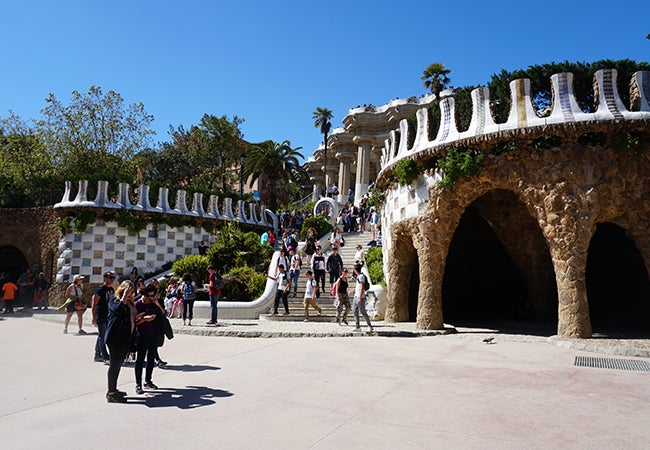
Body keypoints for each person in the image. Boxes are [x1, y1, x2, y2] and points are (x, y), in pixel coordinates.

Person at [104, 280, 137, 403]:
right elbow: (117, 310)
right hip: (115, 337)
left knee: (118, 364)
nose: (129, 292)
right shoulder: (114, 299)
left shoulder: (129, 302)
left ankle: (113, 389)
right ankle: (111, 393)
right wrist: (124, 297)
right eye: (127, 290)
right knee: (114, 364)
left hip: (125, 337)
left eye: (131, 291)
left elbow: (131, 316)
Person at [134, 283, 163, 395]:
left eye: (152, 296)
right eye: (148, 296)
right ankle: (138, 384)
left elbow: (163, 314)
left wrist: (157, 304)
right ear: (143, 294)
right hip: (141, 334)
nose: (150, 298)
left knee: (151, 358)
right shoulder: (137, 305)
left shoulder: (154, 304)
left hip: (153, 334)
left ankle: (148, 380)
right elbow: (135, 322)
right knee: (140, 359)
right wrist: (145, 319)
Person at [92, 271, 116, 363]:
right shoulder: (100, 290)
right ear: (105, 278)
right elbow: (94, 303)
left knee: (102, 336)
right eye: (110, 277)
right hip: (101, 316)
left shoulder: (111, 290)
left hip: (108, 316)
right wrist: (94, 317)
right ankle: (105, 356)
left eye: (113, 278)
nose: (112, 279)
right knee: (103, 337)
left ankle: (98, 355)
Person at [352, 264, 373, 332]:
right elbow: (358, 288)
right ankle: (357, 326)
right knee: (354, 310)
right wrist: (353, 291)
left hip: (360, 297)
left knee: (363, 312)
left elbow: (362, 287)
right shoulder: (358, 276)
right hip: (356, 296)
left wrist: (360, 298)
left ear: (355, 270)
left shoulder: (361, 277)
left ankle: (369, 326)